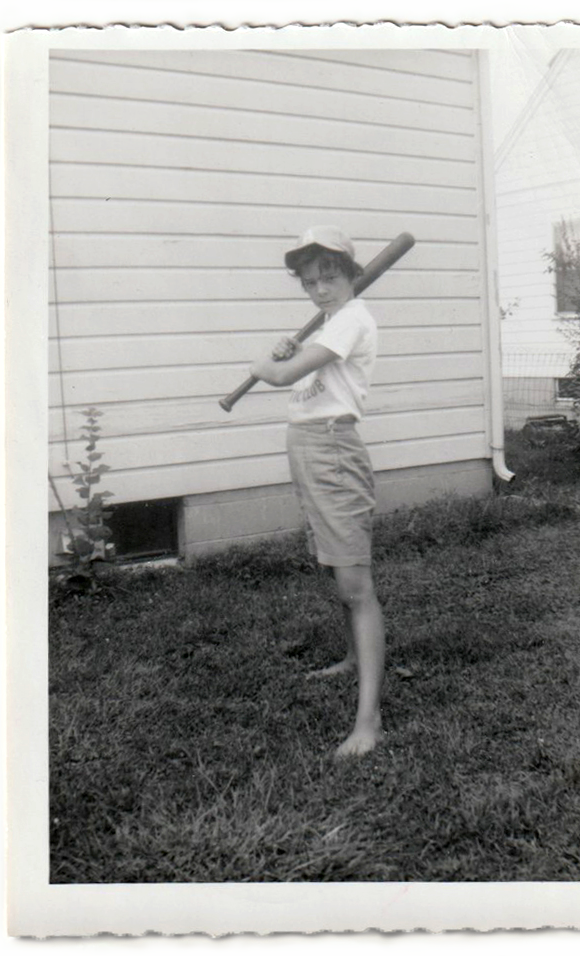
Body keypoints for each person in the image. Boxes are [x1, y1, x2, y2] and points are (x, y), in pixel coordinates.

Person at [250, 226, 385, 758]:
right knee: (333, 565)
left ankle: (368, 723)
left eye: (329, 277)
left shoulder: (352, 318)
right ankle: (352, 659)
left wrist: (268, 364)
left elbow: (283, 379)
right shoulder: (334, 321)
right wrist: (293, 348)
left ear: (351, 275)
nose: (320, 290)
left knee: (354, 582)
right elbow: (308, 378)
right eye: (309, 283)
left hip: (332, 452)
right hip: (309, 447)